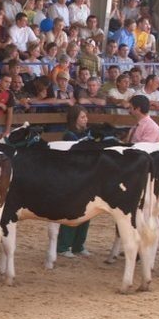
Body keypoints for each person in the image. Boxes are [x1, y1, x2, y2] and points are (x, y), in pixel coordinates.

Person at [57, 105, 92, 258]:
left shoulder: (88, 134)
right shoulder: (69, 135)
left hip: (87, 175)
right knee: (71, 212)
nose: (86, 120)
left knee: (87, 211)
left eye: (86, 117)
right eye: (82, 117)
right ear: (74, 119)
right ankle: (64, 246)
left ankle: (79, 245)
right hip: (73, 176)